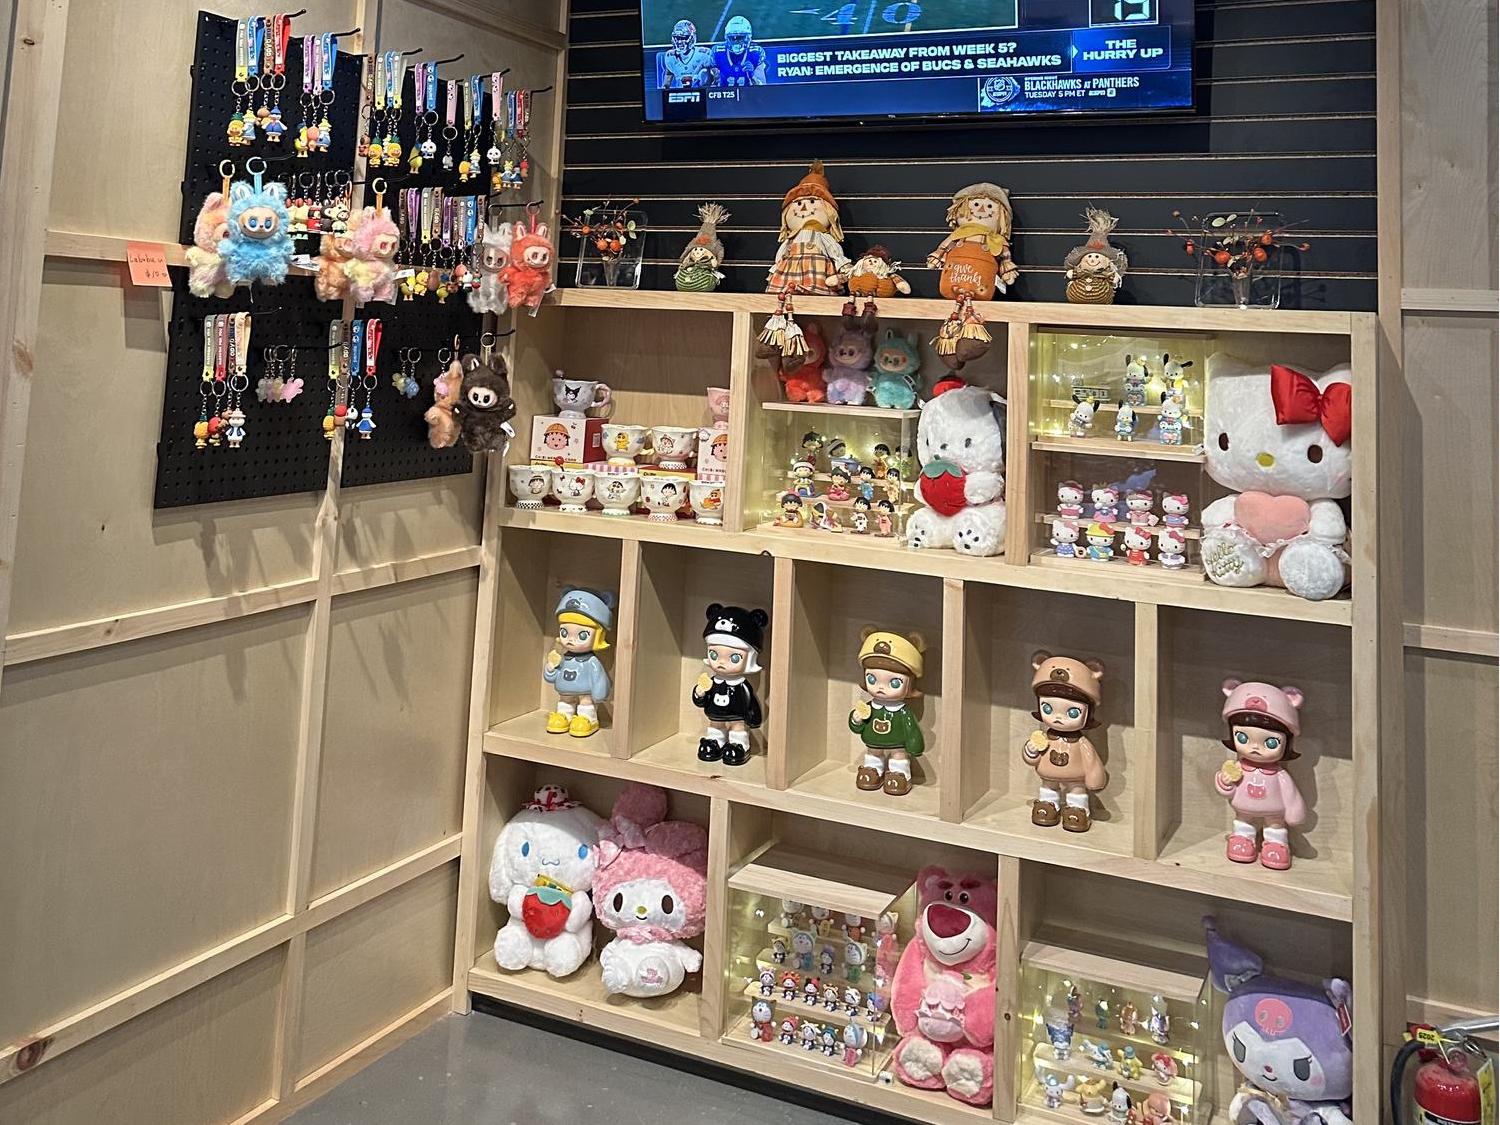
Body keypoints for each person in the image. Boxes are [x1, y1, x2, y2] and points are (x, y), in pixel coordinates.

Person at [659, 19, 716, 89]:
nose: (679, 41)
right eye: (677, 38)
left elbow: (716, 77)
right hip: (680, 94)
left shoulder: (703, 54)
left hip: (702, 93)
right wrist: (664, 88)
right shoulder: (670, 56)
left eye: (683, 38)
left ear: (692, 38)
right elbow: (667, 79)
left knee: (704, 73)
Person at [714, 16, 766, 86]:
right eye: (733, 38)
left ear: (748, 37)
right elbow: (710, 86)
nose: (736, 42)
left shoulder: (756, 53)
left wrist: (752, 76)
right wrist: (716, 78)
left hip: (749, 95)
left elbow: (763, 87)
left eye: (740, 38)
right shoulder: (717, 53)